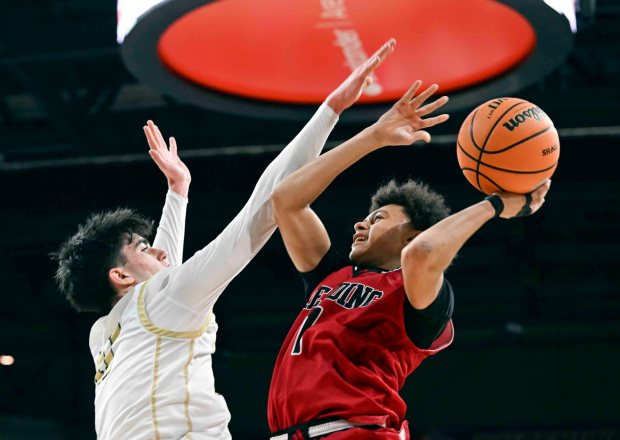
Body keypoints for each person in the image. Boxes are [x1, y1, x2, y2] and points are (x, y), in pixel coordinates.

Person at [51, 39, 397, 440]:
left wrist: (178, 192)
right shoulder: (161, 301)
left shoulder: (104, 334)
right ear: (121, 276)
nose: (160, 251)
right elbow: (263, 207)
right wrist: (331, 110)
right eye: (142, 249)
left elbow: (165, 277)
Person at [267, 79, 552, 439]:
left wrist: (496, 205)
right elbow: (286, 199)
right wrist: (375, 136)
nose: (361, 222)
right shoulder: (330, 274)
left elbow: (424, 254)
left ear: (412, 233)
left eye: (378, 218)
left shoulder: (416, 291)